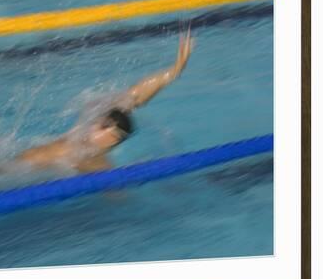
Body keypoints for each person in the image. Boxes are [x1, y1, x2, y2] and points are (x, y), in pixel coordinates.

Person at [14, 29, 194, 173]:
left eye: (101, 125)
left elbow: (116, 196)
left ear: (112, 138)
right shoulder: (84, 137)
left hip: (16, 176)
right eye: (100, 121)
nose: (94, 124)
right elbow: (135, 95)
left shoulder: (96, 164)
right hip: (14, 164)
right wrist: (174, 72)